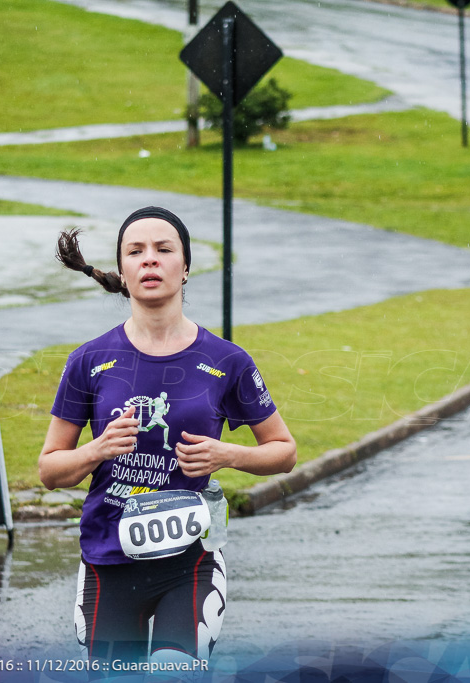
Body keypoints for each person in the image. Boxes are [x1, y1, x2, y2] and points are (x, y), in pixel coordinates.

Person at [38, 206, 297, 676]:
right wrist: (96, 449)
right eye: (135, 252)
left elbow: (284, 451)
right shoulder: (88, 361)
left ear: (186, 267)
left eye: (163, 249)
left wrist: (227, 454)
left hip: (190, 561)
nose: (149, 260)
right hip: (108, 557)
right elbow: (49, 469)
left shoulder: (227, 361)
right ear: (122, 270)